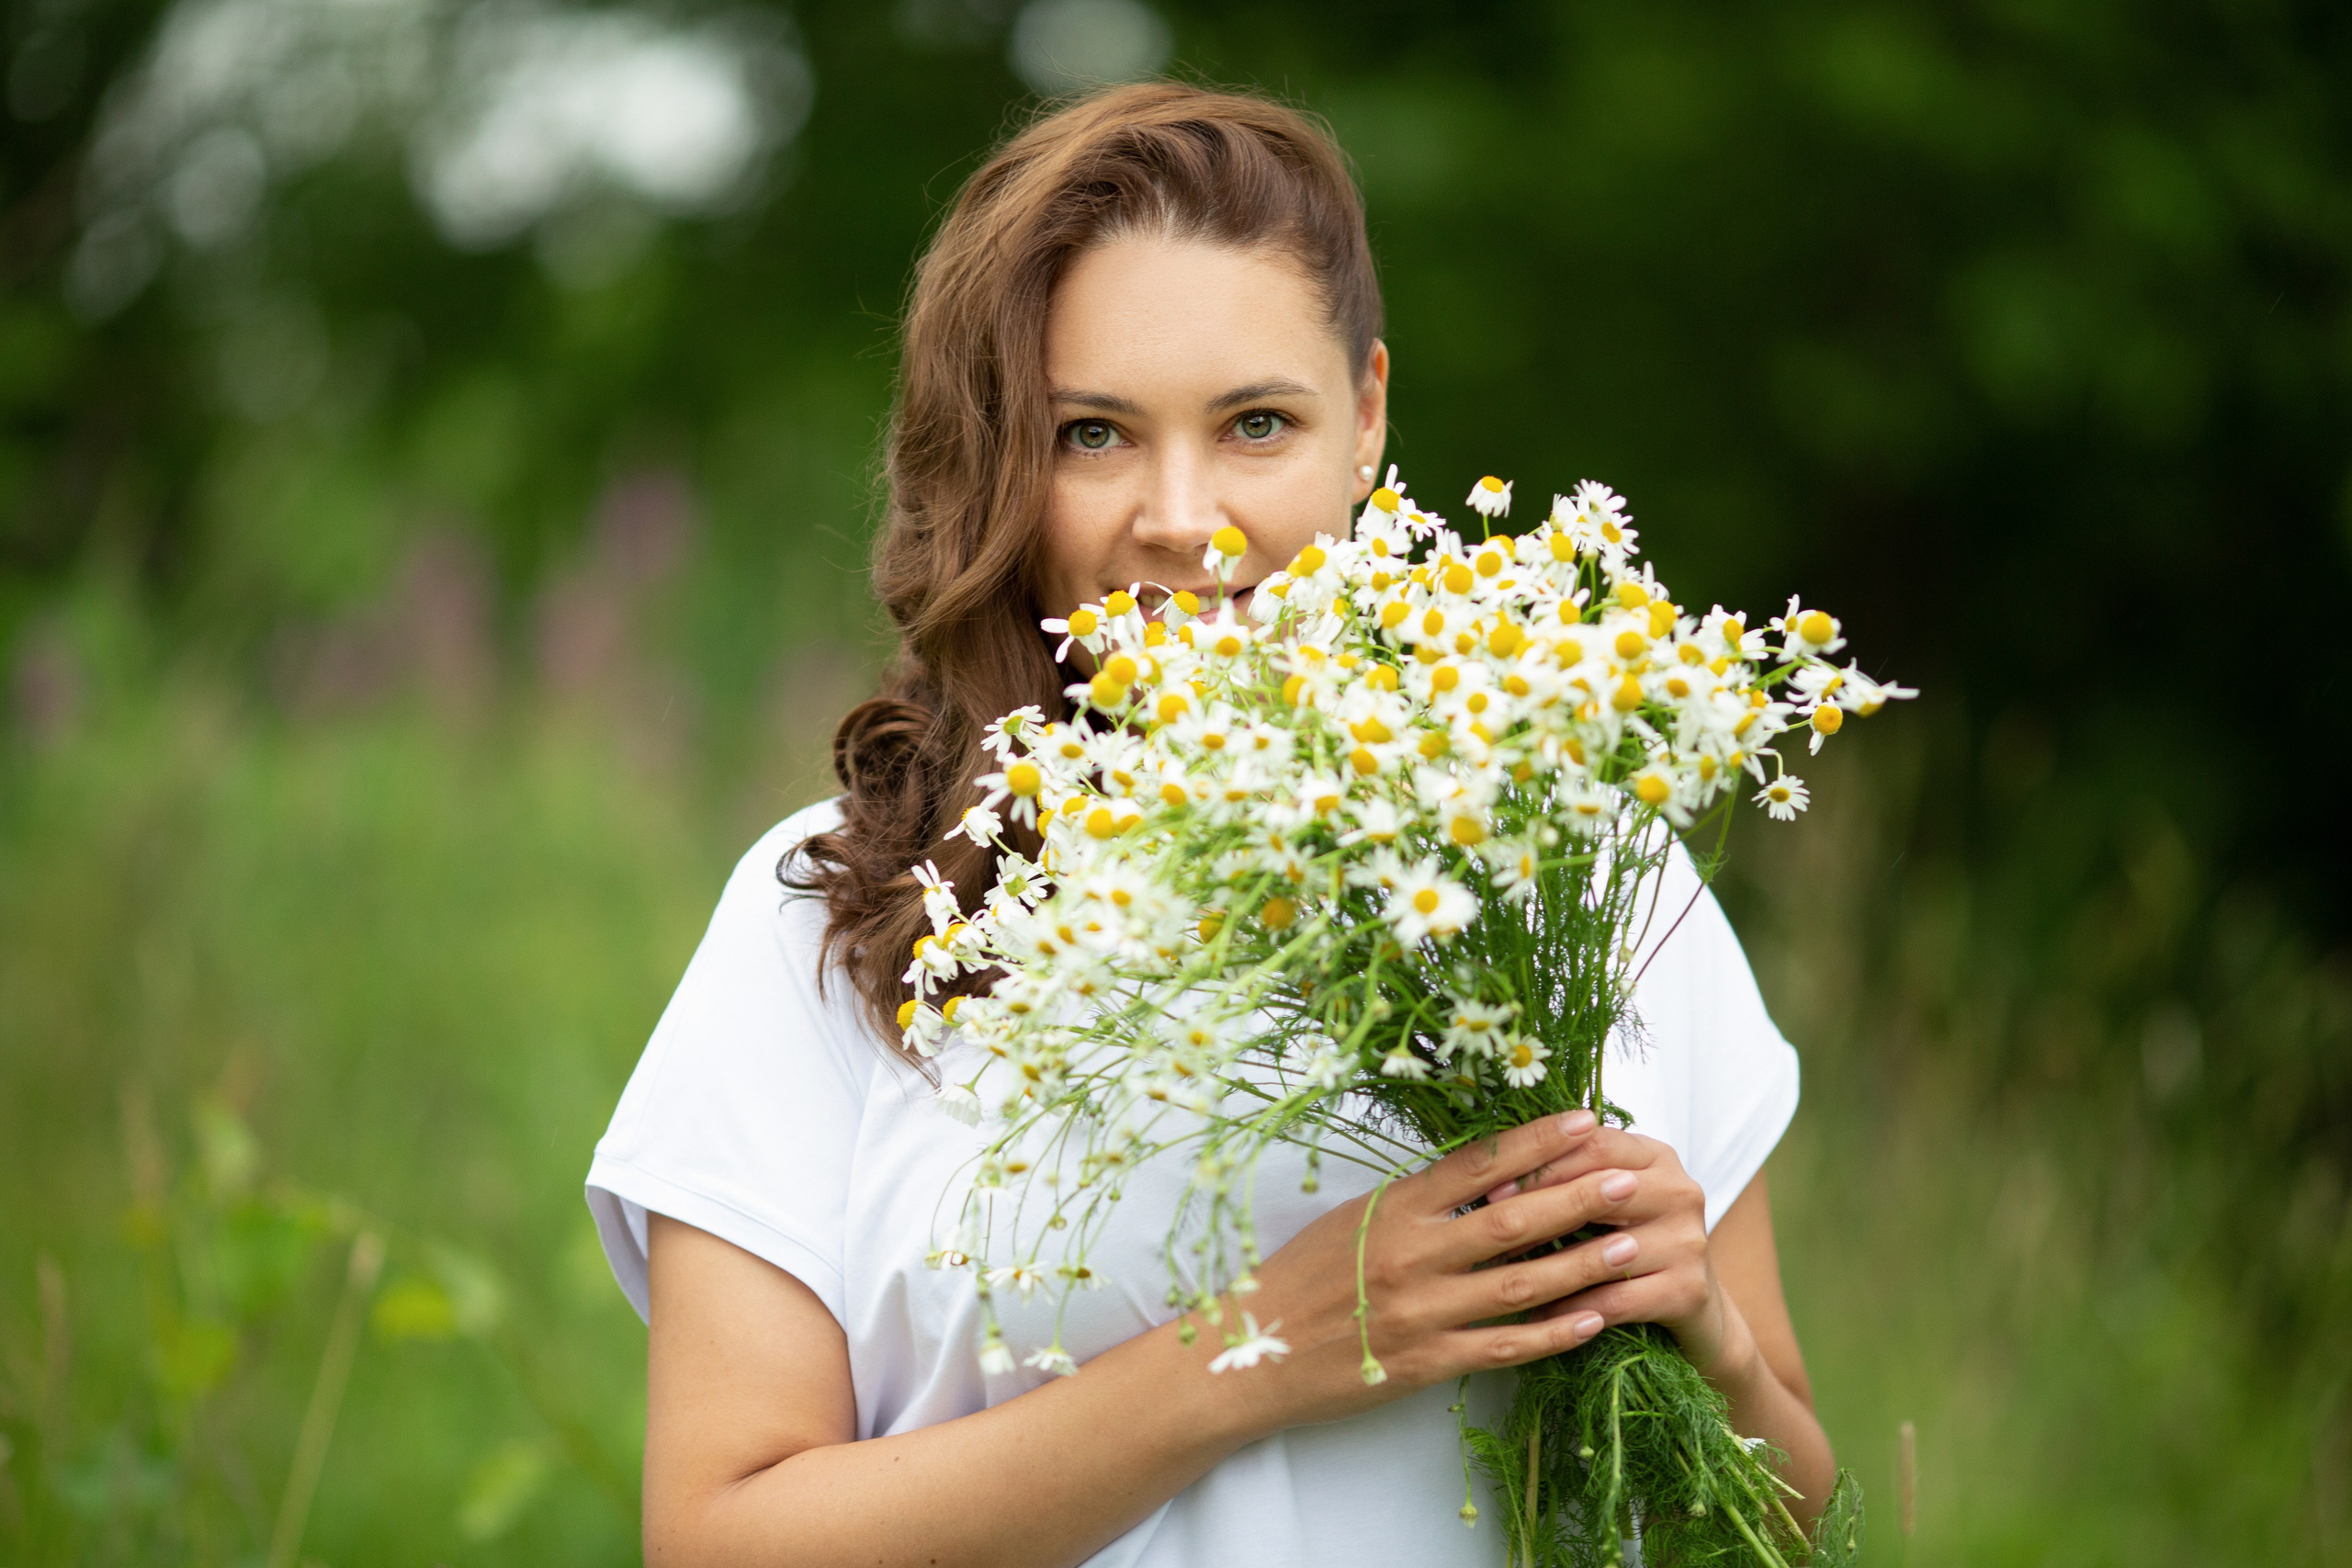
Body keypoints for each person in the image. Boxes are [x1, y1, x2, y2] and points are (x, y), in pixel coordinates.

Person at [585, 82, 1834, 1568]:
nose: (1184, 518)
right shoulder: (841, 913)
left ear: (1366, 416)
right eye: (1095, 434)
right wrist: (1269, 1347)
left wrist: (1707, 1348)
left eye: (1255, 424)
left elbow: (1794, 1518)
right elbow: (718, 1542)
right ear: (1002, 466)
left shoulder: (1579, 867)